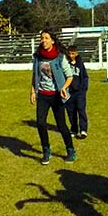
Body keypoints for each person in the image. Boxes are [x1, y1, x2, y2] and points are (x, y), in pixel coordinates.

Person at [31, 28, 76, 165]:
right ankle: (46, 150)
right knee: (40, 123)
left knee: (61, 125)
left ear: (52, 40)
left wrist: (64, 87)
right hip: (43, 95)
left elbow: (70, 76)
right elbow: (35, 75)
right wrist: (33, 91)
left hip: (56, 96)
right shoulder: (37, 57)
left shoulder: (60, 57)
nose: (43, 41)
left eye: (46, 38)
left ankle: (70, 150)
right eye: (42, 38)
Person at [64, 45, 89, 139]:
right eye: (69, 53)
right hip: (69, 92)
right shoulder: (65, 64)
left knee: (81, 110)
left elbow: (85, 77)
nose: (71, 55)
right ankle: (74, 129)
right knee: (71, 112)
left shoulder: (80, 64)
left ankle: (83, 130)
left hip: (79, 92)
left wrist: (83, 89)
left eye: (73, 53)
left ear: (76, 53)